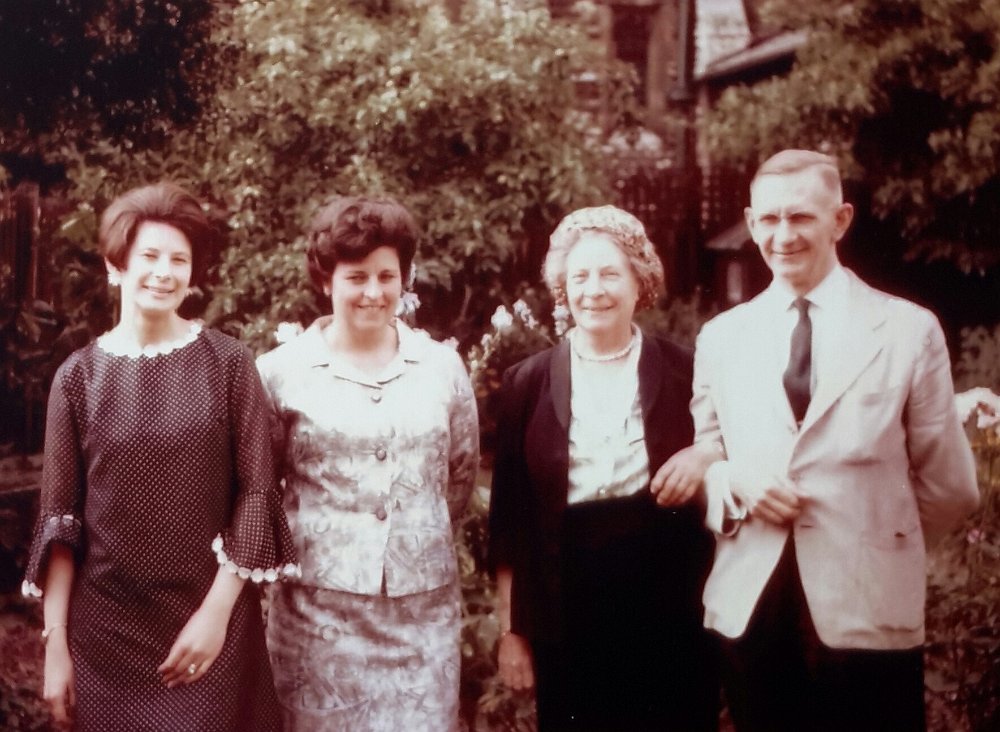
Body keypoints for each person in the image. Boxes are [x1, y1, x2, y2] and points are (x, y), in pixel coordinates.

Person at [693, 149, 980, 731]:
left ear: (840, 220)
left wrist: (878, 540)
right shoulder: (721, 337)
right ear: (750, 224)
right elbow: (706, 457)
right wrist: (732, 481)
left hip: (868, 605)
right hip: (754, 608)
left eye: (801, 216)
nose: (783, 235)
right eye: (769, 219)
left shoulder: (906, 331)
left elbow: (949, 485)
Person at [22, 182, 297, 730]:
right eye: (149, 256)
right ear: (116, 264)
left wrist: (216, 616)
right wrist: (56, 644)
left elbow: (257, 493)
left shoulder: (228, 363)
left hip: (211, 630)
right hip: (105, 641)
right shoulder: (76, 378)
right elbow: (61, 522)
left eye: (179, 260)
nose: (164, 273)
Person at [488, 205, 720, 731]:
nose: (594, 290)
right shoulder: (527, 382)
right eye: (580, 277)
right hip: (568, 610)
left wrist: (707, 453)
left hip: (672, 604)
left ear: (640, 283)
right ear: (563, 288)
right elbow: (510, 525)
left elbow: (738, 441)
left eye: (610, 274)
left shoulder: (687, 370)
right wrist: (512, 632)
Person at [257, 195, 480, 731]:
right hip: (316, 622)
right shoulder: (280, 373)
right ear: (326, 280)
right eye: (357, 277)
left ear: (405, 279)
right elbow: (259, 489)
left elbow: (459, 475)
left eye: (387, 276)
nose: (374, 293)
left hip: (421, 620)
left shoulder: (441, 368)